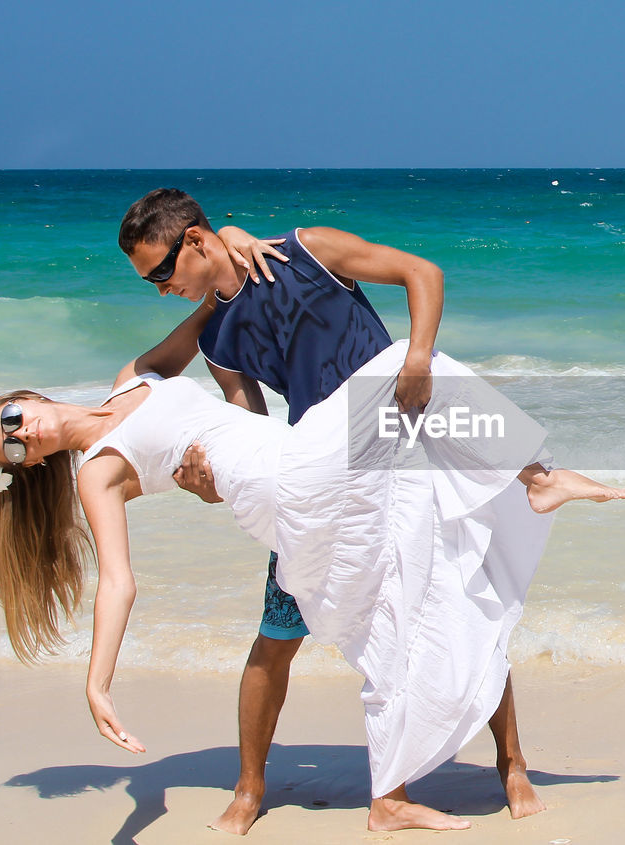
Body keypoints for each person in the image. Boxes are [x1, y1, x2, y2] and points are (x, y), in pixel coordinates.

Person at [0, 314, 625, 831]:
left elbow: (209, 311)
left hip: (300, 457)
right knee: (402, 364)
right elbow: (118, 581)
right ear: (27, 467)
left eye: (12, 420)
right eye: (11, 449)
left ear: (23, 396)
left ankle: (389, 795)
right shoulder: (97, 471)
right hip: (282, 486)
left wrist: (240, 244)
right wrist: (97, 680)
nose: (22, 434)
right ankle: (536, 478)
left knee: (401, 603)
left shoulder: (136, 376)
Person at [117, 188, 543, 833]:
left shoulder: (306, 250)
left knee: (456, 609)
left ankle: (512, 765)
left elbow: (421, 272)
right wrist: (216, 473)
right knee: (278, 633)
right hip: (319, 482)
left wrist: (420, 356)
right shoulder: (218, 338)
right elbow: (250, 423)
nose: (158, 288)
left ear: (197, 241)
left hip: (401, 459)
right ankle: (249, 787)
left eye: (160, 272)